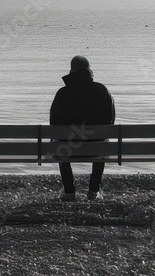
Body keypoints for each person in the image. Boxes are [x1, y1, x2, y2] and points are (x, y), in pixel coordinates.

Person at [49, 55, 115, 201]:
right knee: (103, 143)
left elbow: (53, 124)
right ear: (89, 70)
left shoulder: (62, 94)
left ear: (71, 71)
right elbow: (110, 121)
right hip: (96, 147)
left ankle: (69, 191)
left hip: (67, 148)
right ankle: (93, 191)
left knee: (58, 142)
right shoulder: (102, 90)